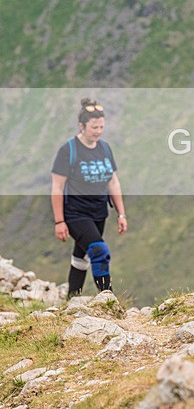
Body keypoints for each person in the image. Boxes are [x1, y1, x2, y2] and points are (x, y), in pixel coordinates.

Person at [51, 98, 128, 297]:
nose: (98, 131)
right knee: (99, 252)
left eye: (101, 127)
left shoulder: (104, 148)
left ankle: (72, 299)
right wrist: (59, 221)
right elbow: (57, 187)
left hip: (99, 213)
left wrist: (121, 214)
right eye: (94, 127)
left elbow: (113, 182)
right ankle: (108, 299)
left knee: (81, 257)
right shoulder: (69, 150)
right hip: (76, 214)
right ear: (82, 126)